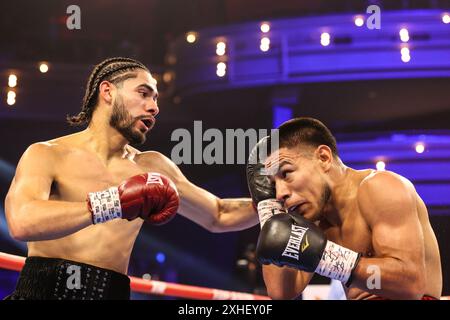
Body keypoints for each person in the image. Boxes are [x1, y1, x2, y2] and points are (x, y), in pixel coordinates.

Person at [4, 57, 258, 300]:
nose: (154, 107)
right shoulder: (47, 154)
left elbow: (218, 214)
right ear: (108, 92)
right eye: (143, 93)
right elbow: (22, 222)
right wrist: (114, 202)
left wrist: (275, 201)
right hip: (43, 291)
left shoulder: (152, 167)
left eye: (156, 99)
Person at [246, 117, 442, 300]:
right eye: (273, 185)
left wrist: (327, 258)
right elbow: (281, 292)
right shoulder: (313, 219)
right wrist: (268, 207)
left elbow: (410, 284)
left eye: (286, 173)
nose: (280, 193)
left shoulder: (380, 187)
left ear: (323, 158)